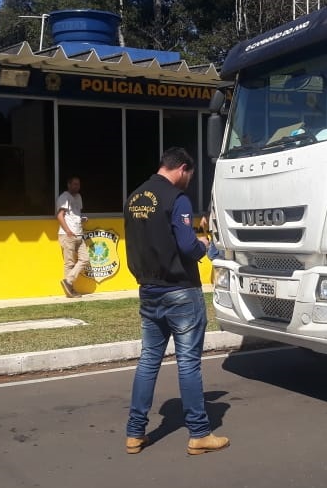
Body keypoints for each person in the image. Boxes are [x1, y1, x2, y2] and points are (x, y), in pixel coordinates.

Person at [122, 147, 230, 456]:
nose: (189, 181)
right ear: (182, 168)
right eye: (189, 176)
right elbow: (186, 245)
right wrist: (202, 247)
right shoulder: (177, 198)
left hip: (149, 290)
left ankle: (135, 433)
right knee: (188, 362)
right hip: (180, 291)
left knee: (148, 360)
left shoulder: (134, 198)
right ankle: (199, 434)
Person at [57, 175, 89, 298]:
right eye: (74, 184)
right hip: (68, 235)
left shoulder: (78, 197)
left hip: (79, 234)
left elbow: (74, 215)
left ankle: (68, 280)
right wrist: (68, 230)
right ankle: (70, 291)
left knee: (85, 259)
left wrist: (82, 219)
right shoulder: (64, 197)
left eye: (78, 184)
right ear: (69, 185)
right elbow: (60, 215)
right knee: (69, 263)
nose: (77, 186)